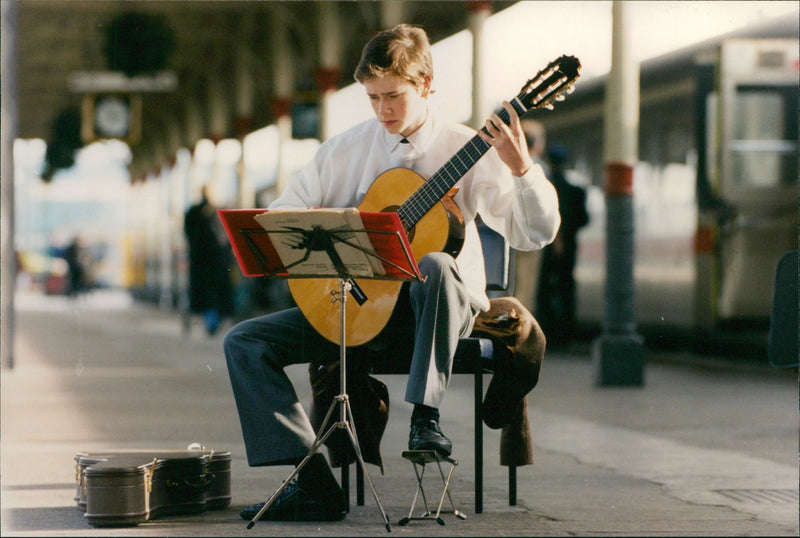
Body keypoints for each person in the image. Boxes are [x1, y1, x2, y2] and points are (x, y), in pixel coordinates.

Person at [224, 24, 560, 523]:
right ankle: (312, 482)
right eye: (373, 97)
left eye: (394, 96)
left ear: (425, 85)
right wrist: (330, 225)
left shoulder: (468, 146)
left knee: (436, 263)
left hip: (439, 313)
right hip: (358, 312)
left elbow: (536, 233)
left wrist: (522, 170)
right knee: (244, 342)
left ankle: (426, 418)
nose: (383, 110)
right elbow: (283, 217)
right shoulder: (345, 149)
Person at [535, 145, 589, 346]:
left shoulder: (544, 188)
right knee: (567, 287)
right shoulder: (576, 191)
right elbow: (584, 219)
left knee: (543, 290)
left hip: (544, 247)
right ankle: (566, 334)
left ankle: (546, 332)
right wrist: (567, 232)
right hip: (569, 248)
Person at [184, 185, 233, 335]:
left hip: (202, 262)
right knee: (216, 295)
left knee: (205, 295)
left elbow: (189, 235)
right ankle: (213, 322)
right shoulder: (219, 211)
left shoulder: (193, 212)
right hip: (218, 262)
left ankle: (210, 322)